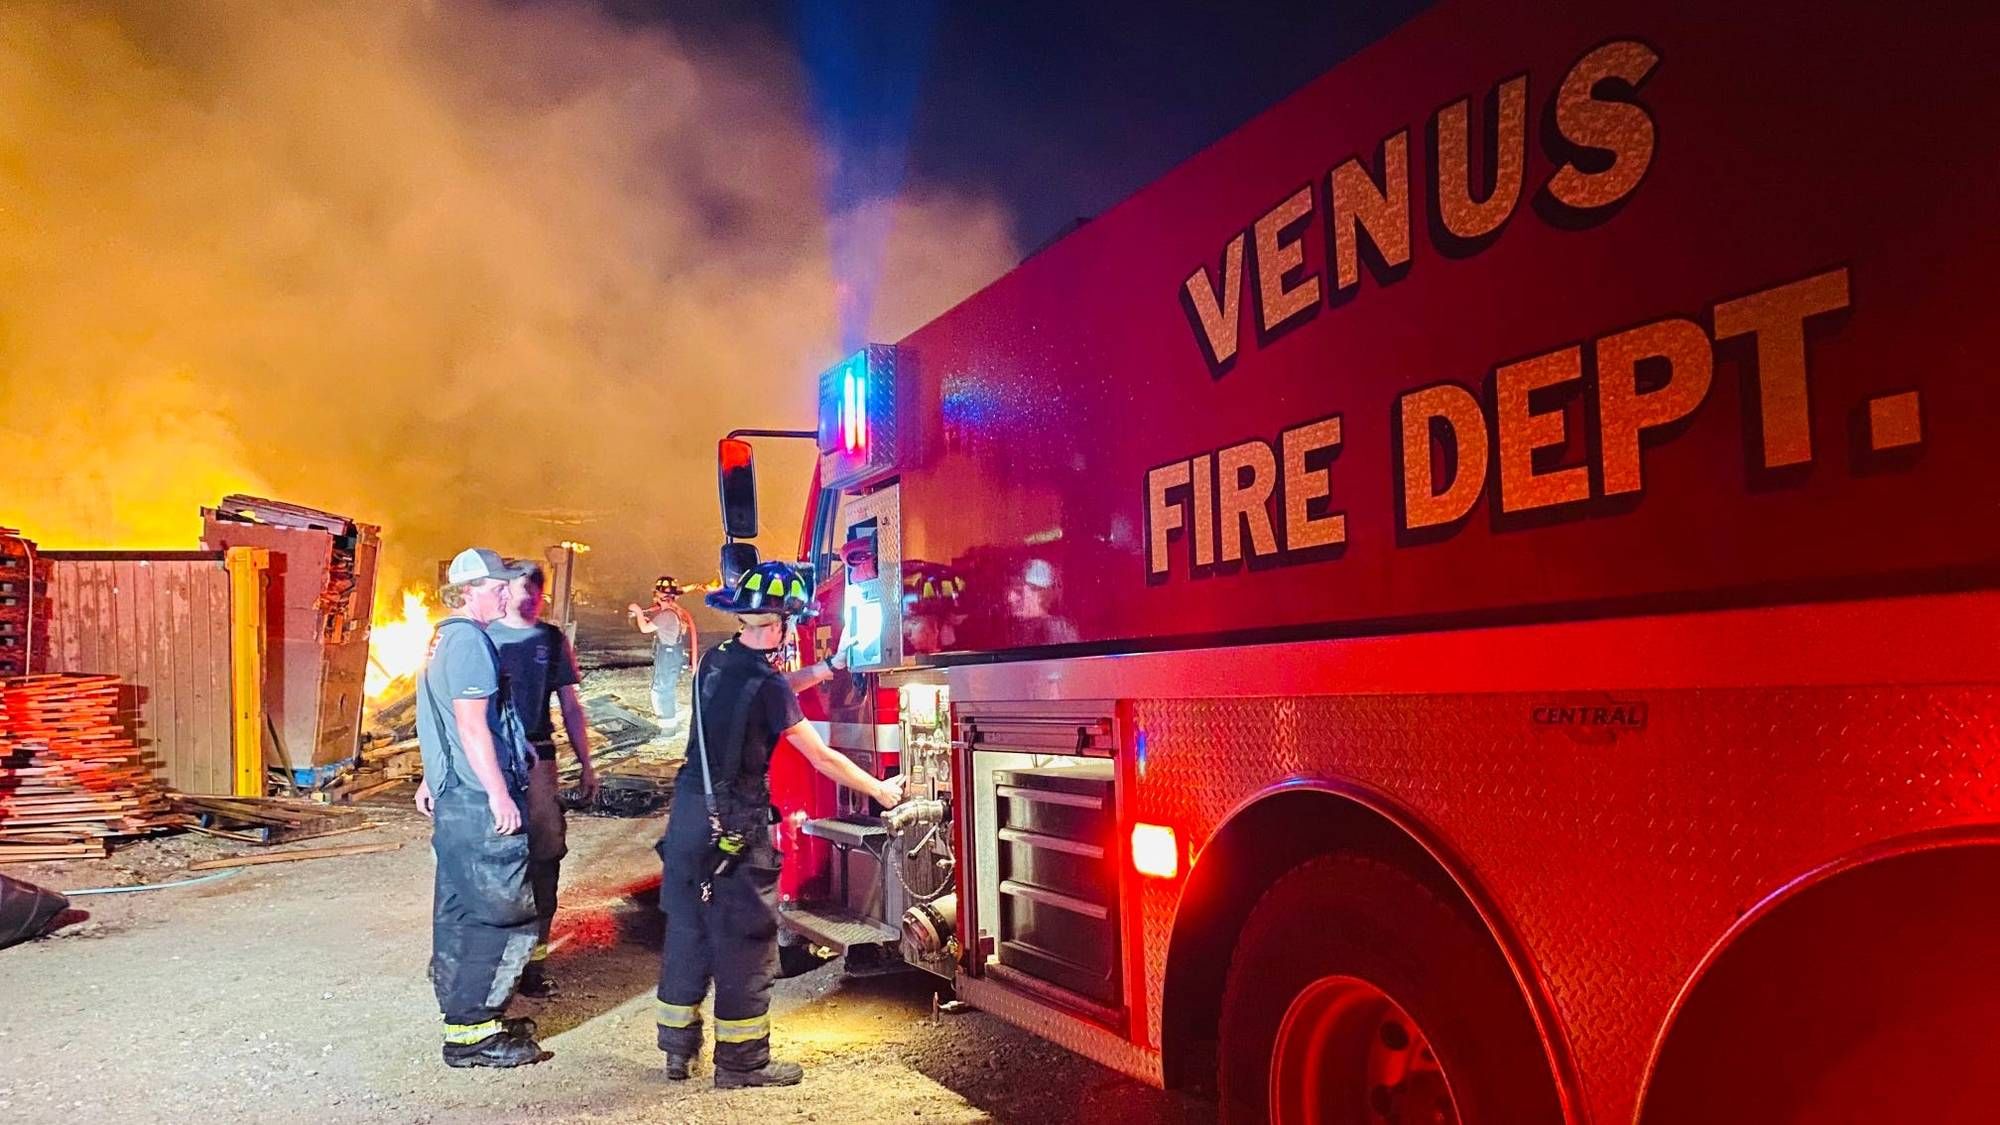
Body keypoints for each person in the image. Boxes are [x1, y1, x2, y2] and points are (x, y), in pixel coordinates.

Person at [655, 560, 905, 1088]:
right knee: (746, 940)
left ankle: (677, 1050)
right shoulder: (766, 685)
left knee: (688, 929)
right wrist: (881, 790)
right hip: (735, 825)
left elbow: (769, 691)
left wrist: (826, 668)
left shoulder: (717, 660)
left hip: (688, 817)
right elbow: (821, 756)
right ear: (779, 625)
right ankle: (743, 1064)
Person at [412, 548, 543, 1069]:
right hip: (477, 803)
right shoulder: (469, 643)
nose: (509, 594)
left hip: (455, 798)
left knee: (459, 910)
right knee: (501, 914)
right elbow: (468, 726)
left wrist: (432, 776)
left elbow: (439, 717)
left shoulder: (444, 637)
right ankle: (472, 1032)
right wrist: (498, 793)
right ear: (469, 591)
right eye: (498, 587)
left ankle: (463, 1014)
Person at [487, 562, 600, 998]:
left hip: (539, 758)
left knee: (545, 853)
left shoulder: (551, 640)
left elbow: (570, 705)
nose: (527, 596)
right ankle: (492, 961)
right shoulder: (484, 636)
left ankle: (534, 963)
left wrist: (587, 763)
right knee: (496, 855)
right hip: (493, 760)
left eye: (534, 589)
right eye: (519, 588)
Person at [628, 577, 696, 729]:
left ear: (659, 597)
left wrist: (638, 611)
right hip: (672, 654)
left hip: (668, 655)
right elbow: (662, 628)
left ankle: (668, 728)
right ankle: (676, 713)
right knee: (666, 687)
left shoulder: (666, 615)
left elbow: (644, 629)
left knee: (660, 690)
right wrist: (644, 618)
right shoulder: (671, 613)